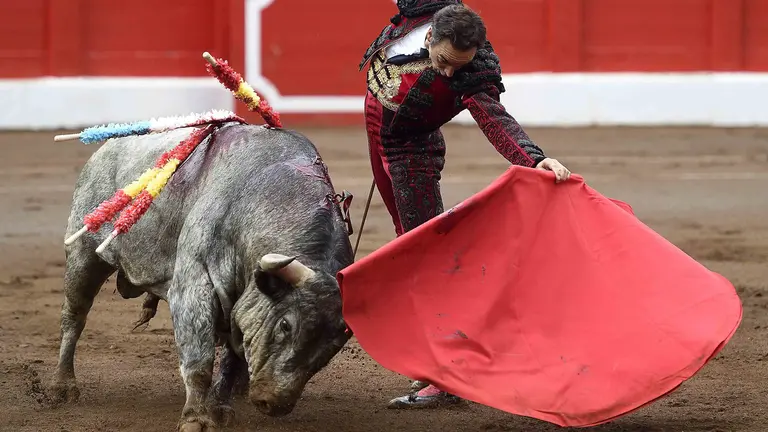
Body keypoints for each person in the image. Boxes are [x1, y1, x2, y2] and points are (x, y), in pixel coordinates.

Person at [359, 0, 572, 409]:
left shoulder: (473, 71)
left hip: (410, 153)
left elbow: (494, 118)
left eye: (458, 65)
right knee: (409, 246)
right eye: (443, 61)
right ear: (430, 35)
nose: (448, 72)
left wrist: (533, 157)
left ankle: (446, 376)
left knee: (427, 258)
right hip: (378, 139)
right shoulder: (422, 9)